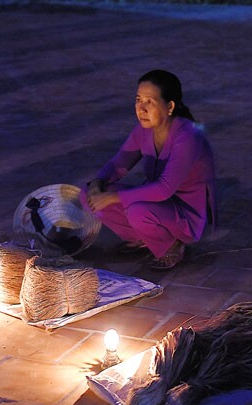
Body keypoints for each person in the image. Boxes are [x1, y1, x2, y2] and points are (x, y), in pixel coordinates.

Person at [81, 70, 216, 270]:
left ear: (169, 106)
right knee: (87, 195)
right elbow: (118, 164)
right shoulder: (144, 130)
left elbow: (164, 189)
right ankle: (142, 238)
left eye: (150, 102)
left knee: (137, 210)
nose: (141, 108)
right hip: (156, 204)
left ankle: (172, 245)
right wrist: (97, 183)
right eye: (138, 100)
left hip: (184, 215)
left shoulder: (188, 137)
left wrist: (113, 197)